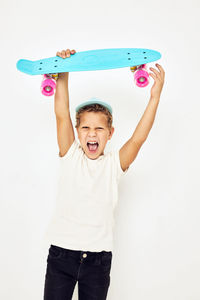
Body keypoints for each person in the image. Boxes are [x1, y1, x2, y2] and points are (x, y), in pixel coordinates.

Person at [43, 48, 165, 300]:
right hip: (61, 256)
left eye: (99, 128)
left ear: (110, 134)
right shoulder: (70, 155)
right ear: (77, 132)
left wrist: (154, 97)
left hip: (98, 262)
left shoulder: (114, 164)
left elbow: (138, 138)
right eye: (85, 127)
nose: (91, 133)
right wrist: (64, 71)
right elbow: (62, 116)